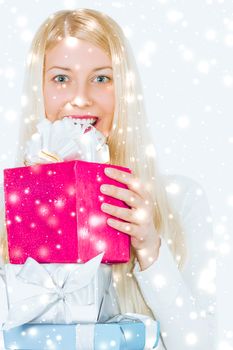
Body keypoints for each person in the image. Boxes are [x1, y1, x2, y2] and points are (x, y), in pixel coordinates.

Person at [0, 8, 216, 349]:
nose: (81, 97)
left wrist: (148, 247)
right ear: (38, 89)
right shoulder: (7, 205)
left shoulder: (179, 197)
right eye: (60, 78)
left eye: (101, 78)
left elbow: (199, 345)